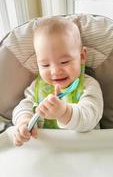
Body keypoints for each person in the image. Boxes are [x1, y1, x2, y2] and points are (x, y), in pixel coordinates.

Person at [12, 17, 103, 146]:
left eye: (64, 62)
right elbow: (23, 106)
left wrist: (64, 112)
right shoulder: (37, 88)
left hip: (84, 149)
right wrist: (24, 121)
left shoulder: (88, 86)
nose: (55, 71)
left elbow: (91, 117)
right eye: (45, 65)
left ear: (82, 56)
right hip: (48, 150)